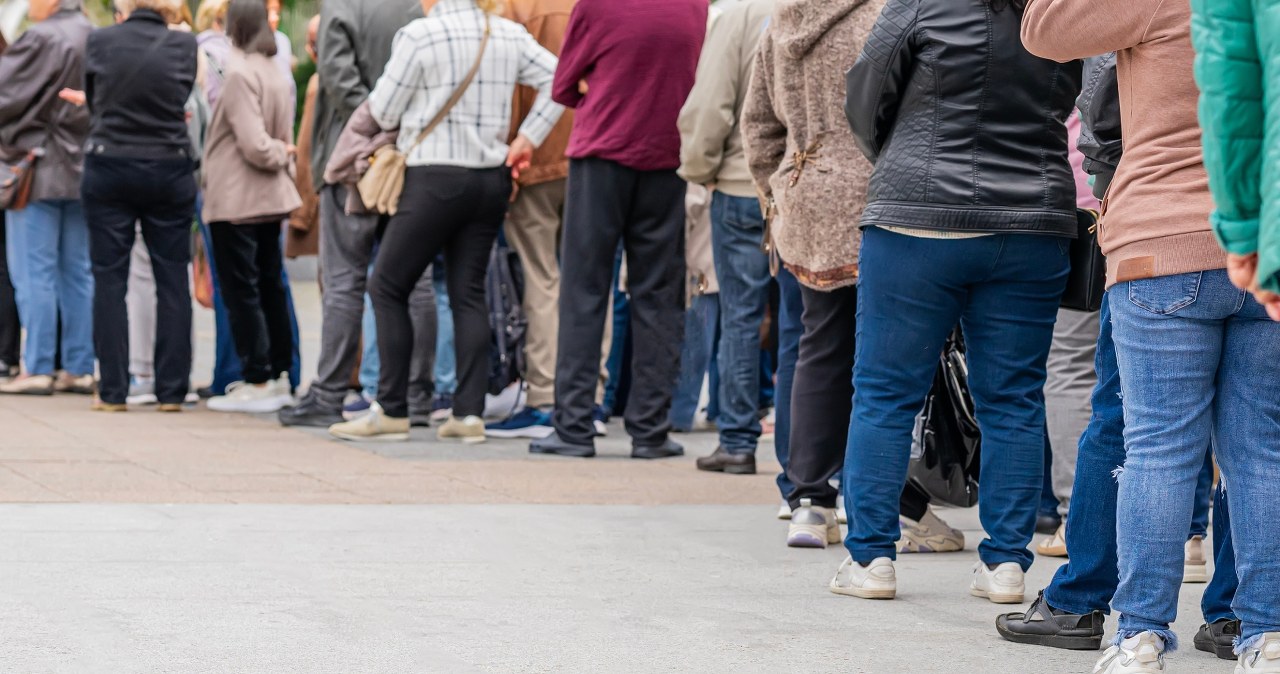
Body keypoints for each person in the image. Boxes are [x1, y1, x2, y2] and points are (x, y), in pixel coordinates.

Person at [1024, 1, 1280, 672]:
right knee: (1261, 454)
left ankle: (1139, 632)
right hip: (1265, 241)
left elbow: (1042, 29)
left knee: (1159, 450)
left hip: (1160, 243)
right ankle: (1267, 632)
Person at [832, 0, 1081, 603]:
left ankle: (871, 559)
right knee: (1014, 398)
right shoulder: (1061, 11)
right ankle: (1005, 565)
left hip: (917, 221)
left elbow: (865, 100)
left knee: (885, 394)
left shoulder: (920, 3)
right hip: (1031, 221)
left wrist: (902, 167)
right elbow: (1085, 104)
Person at [326, 0, 563, 443]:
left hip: (432, 177)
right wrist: (527, 137)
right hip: (490, 179)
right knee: (467, 292)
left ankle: (392, 408)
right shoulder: (506, 33)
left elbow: (385, 109)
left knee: (388, 285)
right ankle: (468, 414)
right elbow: (560, 79)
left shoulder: (421, 35)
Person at [528, 0, 707, 460]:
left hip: (602, 154)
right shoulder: (695, 6)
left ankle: (572, 427)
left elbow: (564, 85)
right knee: (659, 294)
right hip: (668, 157)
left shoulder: (597, 4)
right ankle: (649, 429)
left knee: (584, 290)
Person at [277, 0, 429, 429]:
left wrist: (371, 132)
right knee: (413, 282)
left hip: (350, 157)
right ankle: (415, 394)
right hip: (403, 157)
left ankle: (331, 392)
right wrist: (392, 135)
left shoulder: (342, 8)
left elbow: (339, 78)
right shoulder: (414, 10)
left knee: (343, 279)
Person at [483, 0, 617, 440]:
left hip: (535, 160)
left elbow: (506, 88)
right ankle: (591, 396)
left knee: (541, 279)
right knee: (592, 281)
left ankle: (544, 398)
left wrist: (510, 154)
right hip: (595, 152)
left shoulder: (518, 8)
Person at [79, 0, 197, 412]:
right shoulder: (185, 46)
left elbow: (95, 102)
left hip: (110, 162)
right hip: (169, 165)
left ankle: (112, 390)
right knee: (172, 279)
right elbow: (183, 96)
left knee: (109, 279)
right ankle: (171, 390)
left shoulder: (100, 40)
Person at [679, 0, 774, 476]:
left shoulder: (738, 15)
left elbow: (710, 103)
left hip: (741, 185)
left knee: (740, 315)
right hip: (815, 191)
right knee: (808, 327)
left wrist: (699, 169)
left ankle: (737, 440)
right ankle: (813, 459)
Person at [201, 0, 301, 414]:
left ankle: (257, 376)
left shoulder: (240, 76)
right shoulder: (274, 71)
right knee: (270, 284)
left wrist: (278, 151)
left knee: (242, 290)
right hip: (268, 197)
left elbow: (256, 144)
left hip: (236, 196)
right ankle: (278, 373)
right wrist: (284, 150)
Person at [0, 0, 94, 397]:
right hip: (84, 166)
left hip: (38, 167)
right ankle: (78, 365)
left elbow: (6, 96)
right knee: (78, 272)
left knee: (33, 272)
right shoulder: (93, 31)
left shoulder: (41, 36)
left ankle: (37, 365)